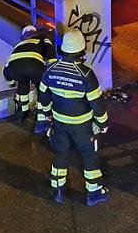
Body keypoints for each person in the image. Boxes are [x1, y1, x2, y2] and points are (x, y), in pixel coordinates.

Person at [34, 29, 109, 206]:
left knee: (61, 154)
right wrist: (102, 122)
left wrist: (44, 117)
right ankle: (94, 194)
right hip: (83, 126)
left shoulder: (50, 70)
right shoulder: (86, 74)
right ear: (81, 50)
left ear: (63, 49)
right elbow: (96, 103)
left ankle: (58, 191)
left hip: (59, 123)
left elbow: (43, 97)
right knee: (89, 157)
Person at [3, 25, 56, 120]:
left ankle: (22, 113)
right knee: (42, 88)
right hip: (34, 66)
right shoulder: (42, 38)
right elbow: (51, 54)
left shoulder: (18, 45)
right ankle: (41, 118)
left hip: (15, 69)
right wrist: (52, 70)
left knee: (22, 83)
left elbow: (7, 69)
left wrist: (11, 83)